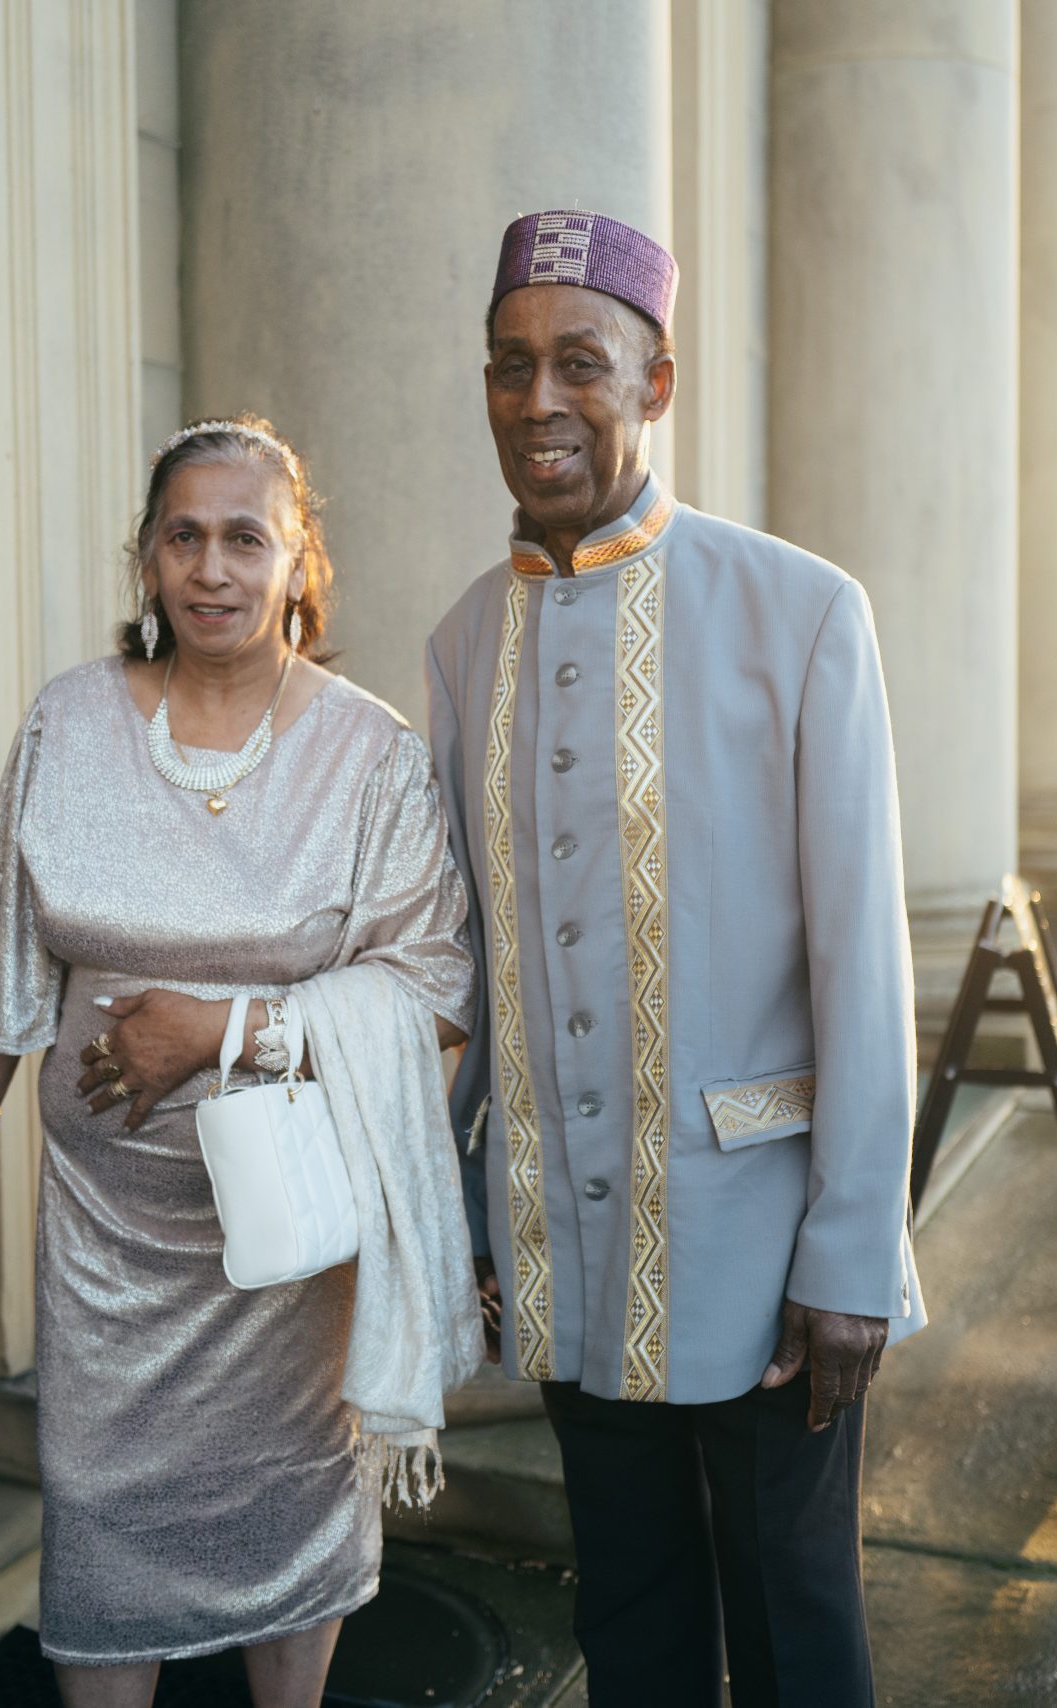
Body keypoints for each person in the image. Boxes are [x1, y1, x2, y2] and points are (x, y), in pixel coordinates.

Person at [0, 416, 482, 1708]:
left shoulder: (369, 755)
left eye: (245, 539)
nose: (213, 568)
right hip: (107, 1255)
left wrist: (217, 1030)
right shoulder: (69, 724)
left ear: (298, 563)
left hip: (287, 1264)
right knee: (99, 1548)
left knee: (287, 1543)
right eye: (184, 537)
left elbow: (432, 988)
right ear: (147, 562)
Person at [424, 211, 926, 1707]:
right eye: (510, 366)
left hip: (766, 1256)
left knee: (794, 1627)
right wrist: (465, 1214)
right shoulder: (460, 644)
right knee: (631, 1623)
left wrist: (851, 1259)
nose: (539, 400)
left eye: (581, 361)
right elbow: (465, 964)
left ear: (658, 383)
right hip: (569, 1252)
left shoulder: (804, 612)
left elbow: (865, 965)